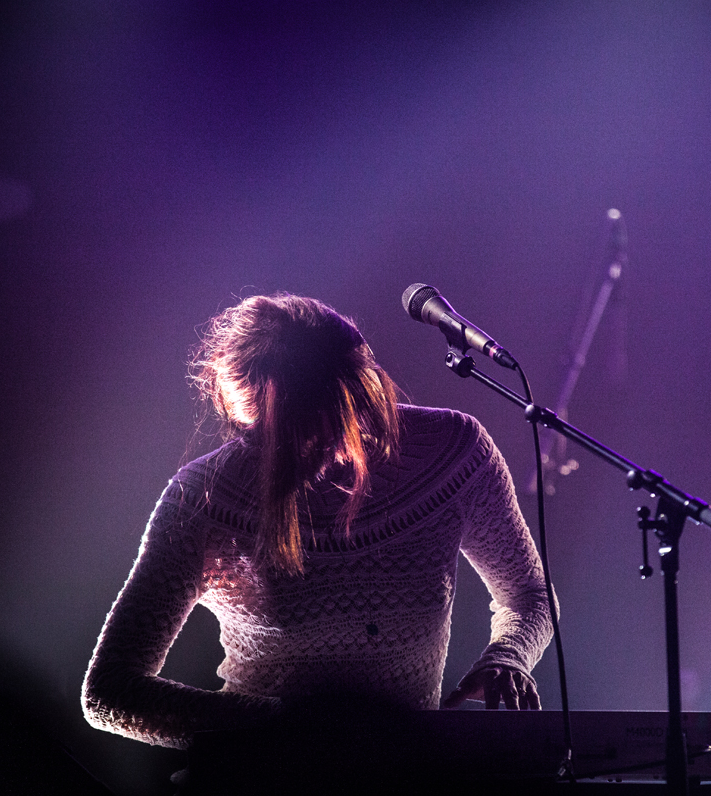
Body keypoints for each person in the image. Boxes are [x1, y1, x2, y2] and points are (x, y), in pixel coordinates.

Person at [82, 293, 554, 752]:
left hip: (406, 780)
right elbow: (109, 692)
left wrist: (507, 657)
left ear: (362, 389)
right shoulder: (203, 497)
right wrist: (281, 726)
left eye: (334, 425)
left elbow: (528, 594)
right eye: (289, 439)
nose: (322, 453)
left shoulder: (455, 454)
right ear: (245, 420)